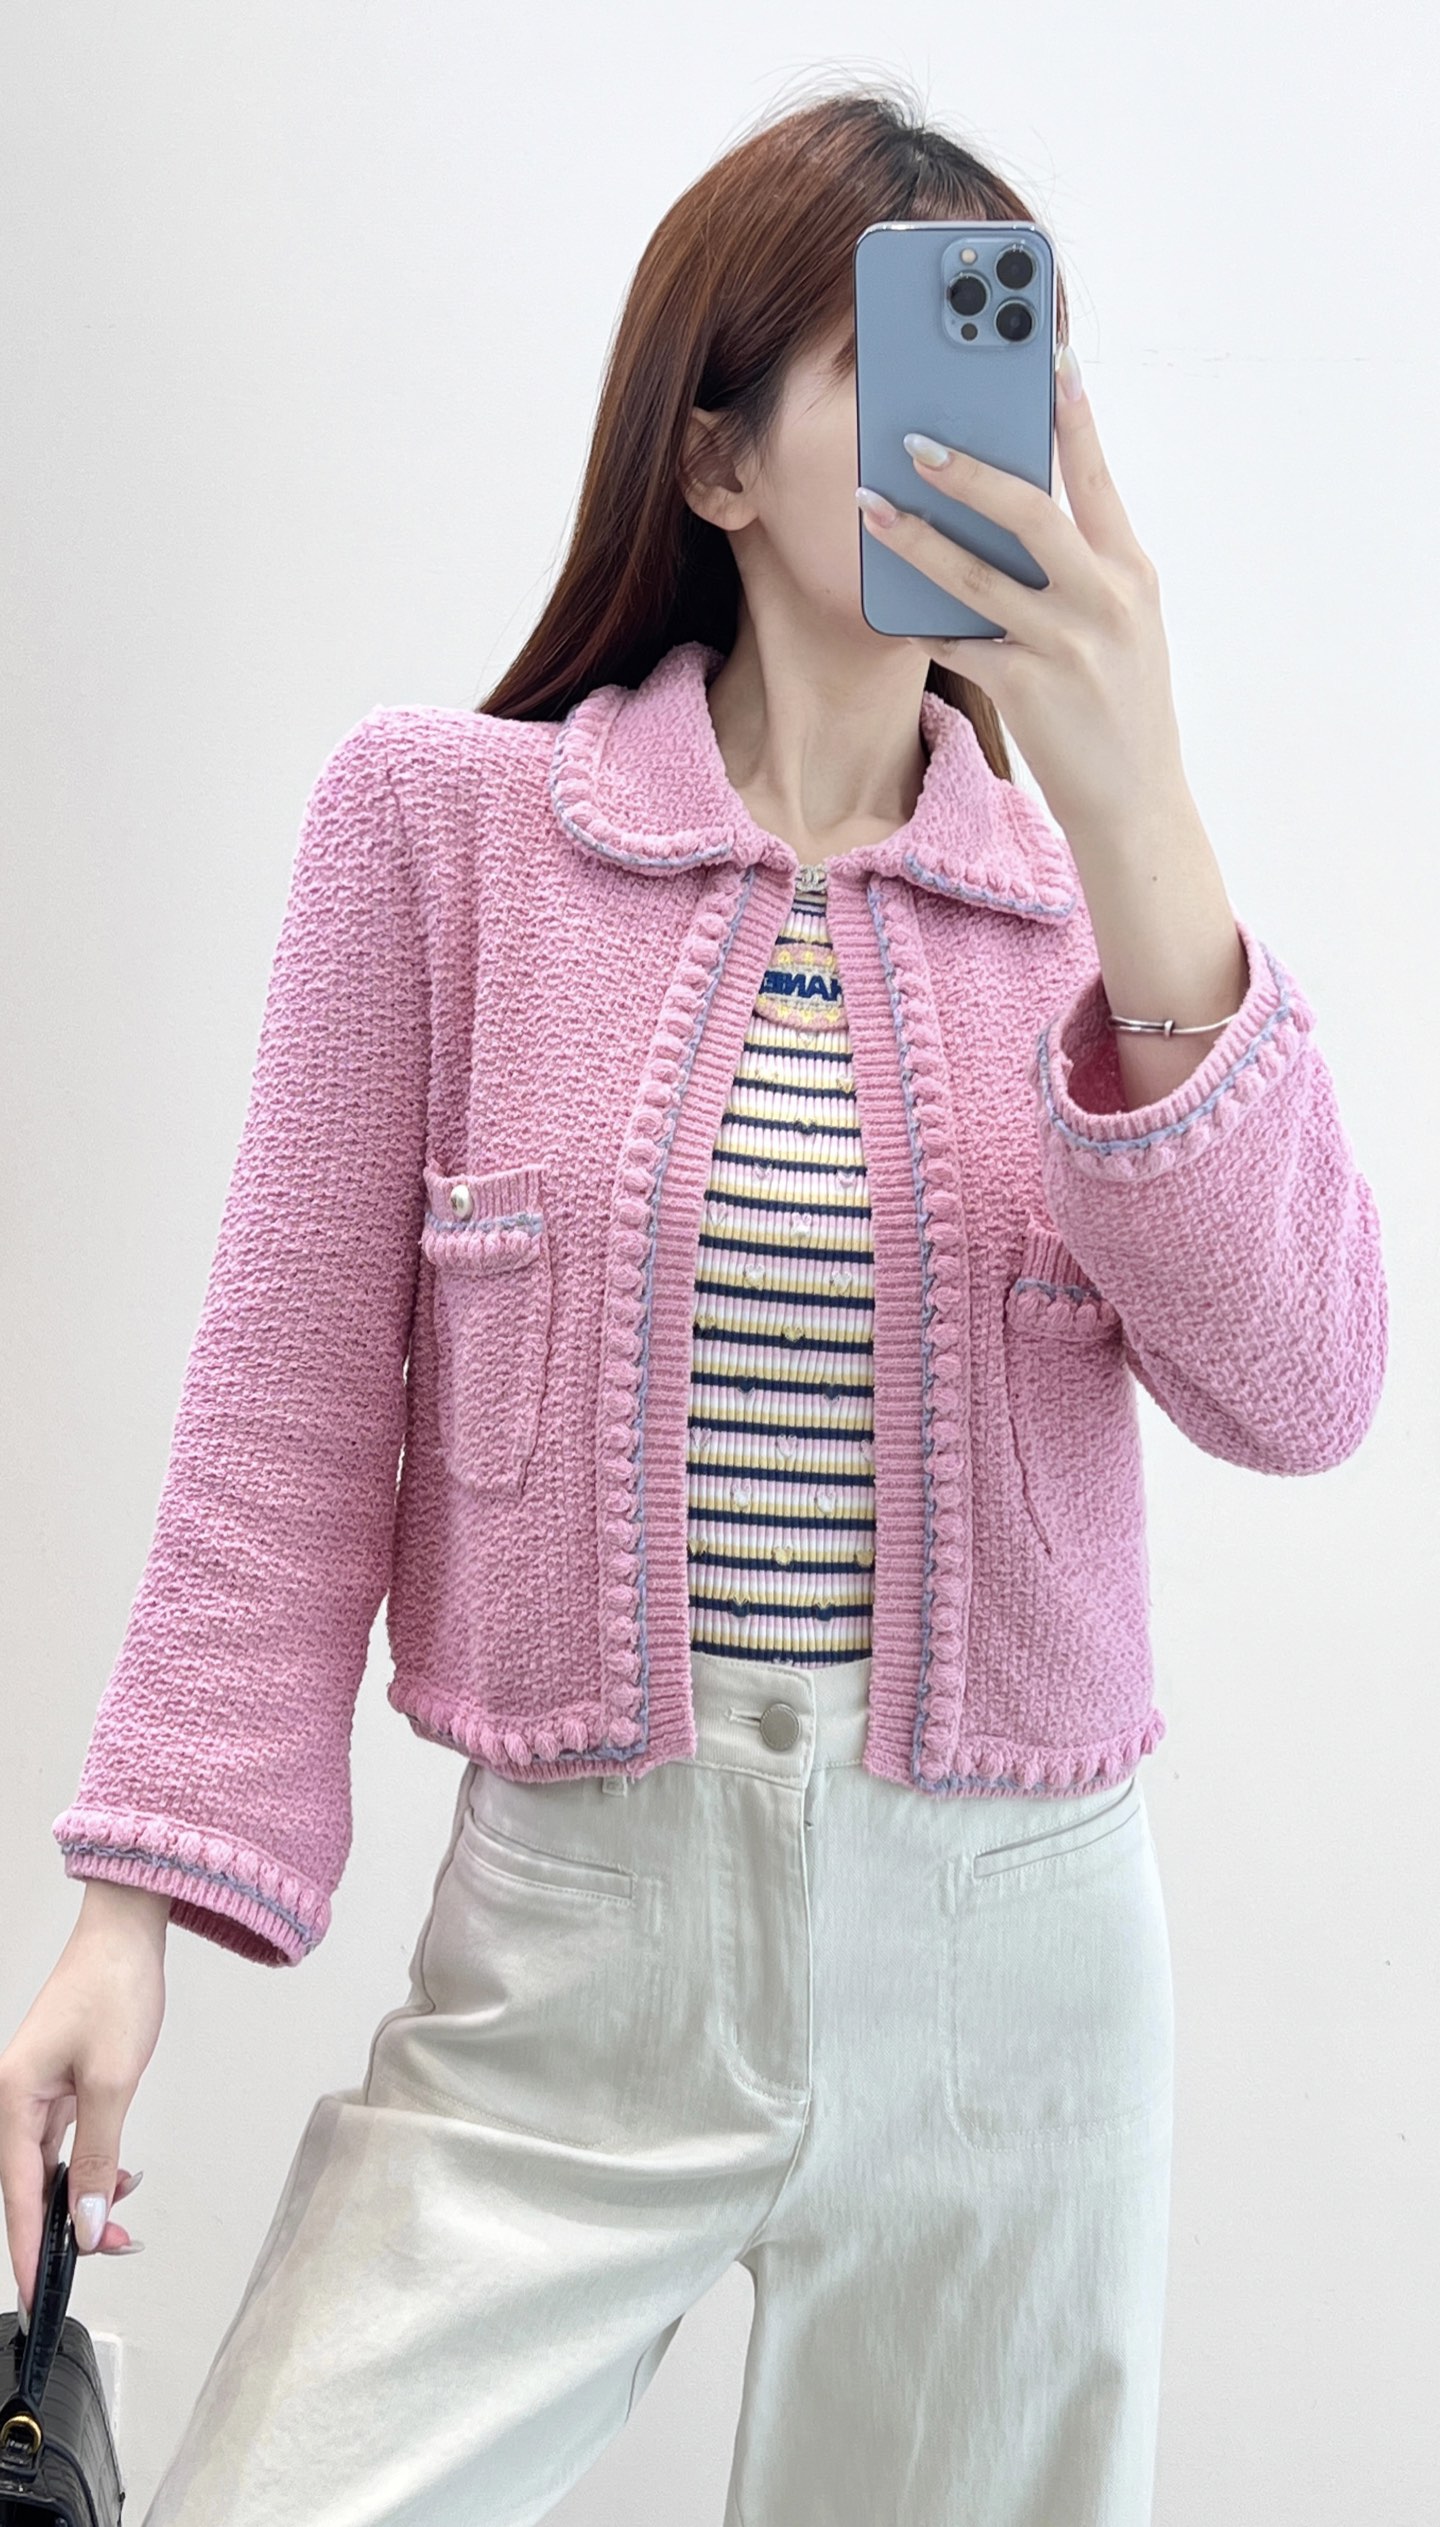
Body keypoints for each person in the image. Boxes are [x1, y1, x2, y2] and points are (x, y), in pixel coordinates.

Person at [0, 81, 1387, 2527]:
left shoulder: (1100, 918)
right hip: (578, 1958)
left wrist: (1141, 800)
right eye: (896, 361)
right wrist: (129, 1921)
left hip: (1014, 1984)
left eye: (1015, 369)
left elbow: (1304, 1388)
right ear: (718, 457)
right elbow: (284, 1419)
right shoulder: (440, 832)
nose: (981, 441)